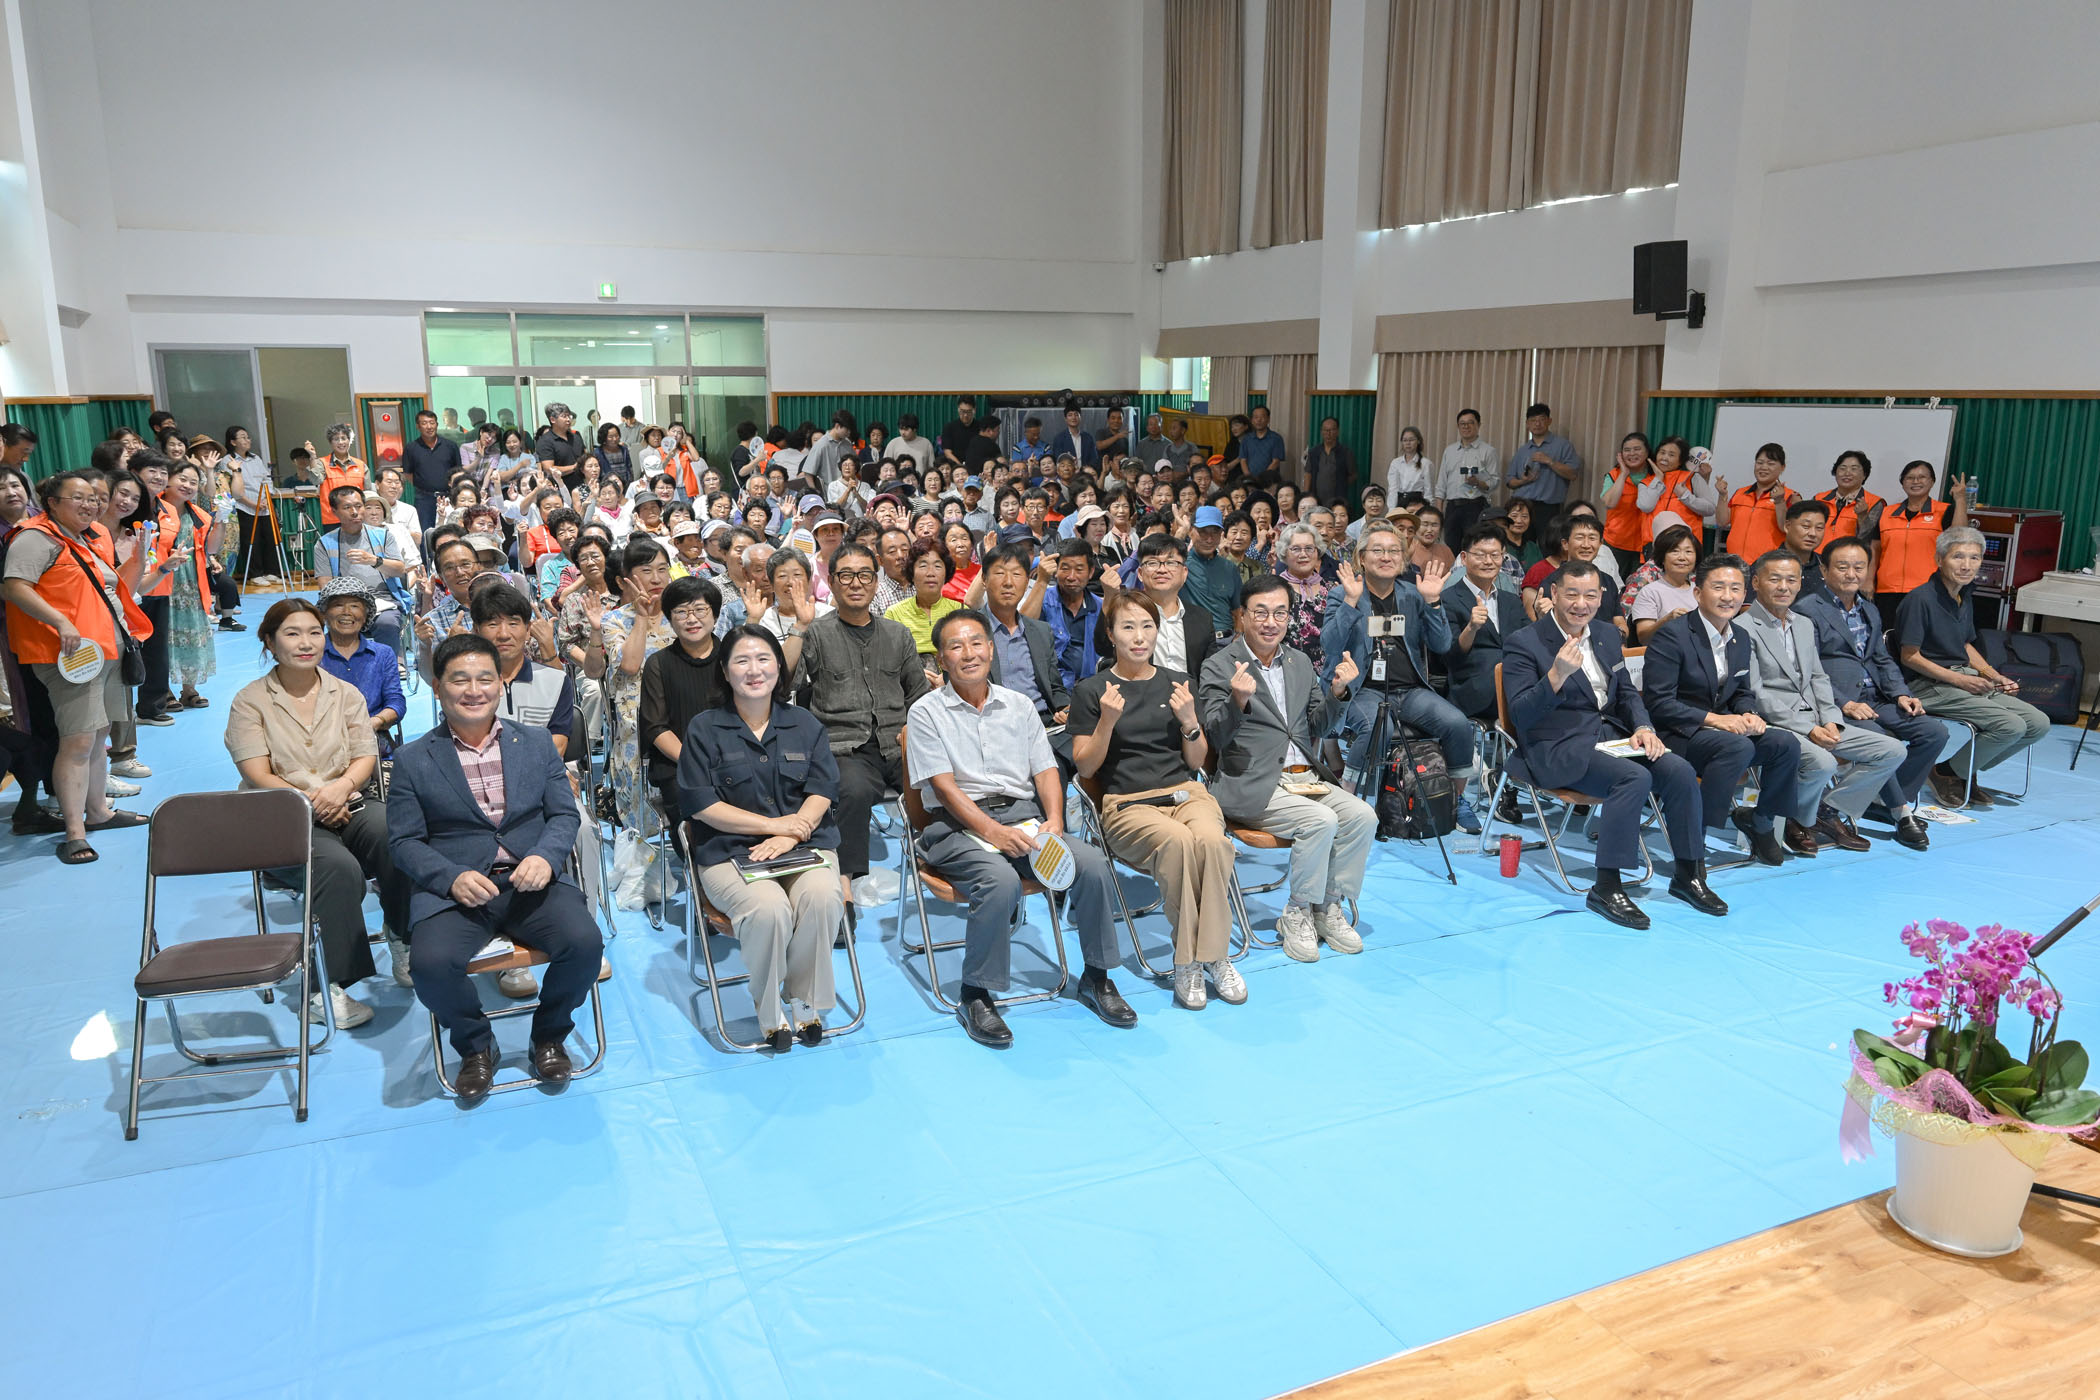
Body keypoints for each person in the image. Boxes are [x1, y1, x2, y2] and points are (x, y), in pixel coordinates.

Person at [388, 634, 601, 1100]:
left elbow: (563, 815)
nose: (474, 690)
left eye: (485, 679)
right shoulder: (412, 759)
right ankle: (476, 1045)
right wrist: (450, 877)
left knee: (584, 944)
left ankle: (549, 1035)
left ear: (500, 685)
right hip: (458, 890)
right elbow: (404, 841)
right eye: (459, 680)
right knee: (430, 965)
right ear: (438, 687)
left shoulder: (536, 743)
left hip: (531, 882)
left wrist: (545, 856)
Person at [905, 612, 1131, 1045]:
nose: (969, 653)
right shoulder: (925, 712)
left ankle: (1097, 977)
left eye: (977, 642)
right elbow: (945, 789)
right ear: (941, 659)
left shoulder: (1019, 705)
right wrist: (993, 832)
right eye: (956, 646)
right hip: (955, 825)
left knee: (1091, 864)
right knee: (999, 880)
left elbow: (1046, 770)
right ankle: (975, 994)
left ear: (991, 650)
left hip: (1024, 818)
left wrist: (1055, 820)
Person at [227, 598, 413, 1026]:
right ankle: (325, 986)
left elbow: (364, 756)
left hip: (348, 802)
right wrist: (315, 800)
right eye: (292, 634)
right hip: (284, 816)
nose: (306, 643)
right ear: (270, 642)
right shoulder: (250, 701)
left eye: (313, 632)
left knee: (397, 837)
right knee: (338, 869)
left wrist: (341, 788)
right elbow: (256, 773)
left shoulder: (344, 694)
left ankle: (404, 937)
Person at [1503, 562, 1717, 927]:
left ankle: (1688, 873)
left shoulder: (1604, 633)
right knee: (1633, 778)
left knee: (1679, 770)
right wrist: (1555, 676)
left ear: (1602, 597)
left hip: (1611, 738)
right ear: (1554, 593)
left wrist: (1644, 726)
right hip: (1557, 746)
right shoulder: (1525, 642)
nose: (1581, 604)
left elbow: (1627, 693)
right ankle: (1607, 886)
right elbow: (1520, 715)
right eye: (1572, 594)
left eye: (1590, 595)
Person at [675, 626, 845, 1051]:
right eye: (742, 661)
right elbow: (703, 806)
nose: (755, 670)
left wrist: (793, 832)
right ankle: (770, 1013)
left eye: (764, 659)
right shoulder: (704, 729)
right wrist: (776, 828)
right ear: (724, 671)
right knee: (768, 909)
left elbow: (822, 789)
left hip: (804, 845)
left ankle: (804, 1000)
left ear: (779, 667)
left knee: (823, 897)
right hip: (729, 852)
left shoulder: (804, 723)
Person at [1071, 591, 1240, 1010]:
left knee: (1213, 842)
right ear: (1111, 634)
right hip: (1128, 804)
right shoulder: (1091, 690)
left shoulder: (1179, 682)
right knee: (1179, 843)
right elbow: (1085, 767)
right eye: (1128, 627)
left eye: (1147, 626)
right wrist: (1107, 722)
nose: (1139, 636)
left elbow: (1196, 762)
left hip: (1186, 793)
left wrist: (1189, 722)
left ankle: (1211, 956)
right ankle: (1190, 960)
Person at [1200, 574, 1373, 961]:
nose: (1270, 622)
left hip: (1305, 779)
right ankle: (1296, 912)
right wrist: (1237, 702)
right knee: (1321, 821)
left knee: (1363, 815)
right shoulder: (1218, 665)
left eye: (1280, 613)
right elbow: (1214, 736)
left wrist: (1338, 693)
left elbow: (1317, 726)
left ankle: (1327, 907)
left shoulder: (1299, 662)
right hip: (1253, 782)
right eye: (1260, 612)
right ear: (1243, 616)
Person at [1, 471, 164, 862]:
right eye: (78, 498)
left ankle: (98, 812)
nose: (89, 504)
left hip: (107, 650)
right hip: (70, 656)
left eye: (93, 498)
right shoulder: (34, 537)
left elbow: (112, 589)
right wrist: (60, 621)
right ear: (51, 502)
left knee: (98, 733)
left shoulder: (85, 539)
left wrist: (141, 559)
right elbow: (14, 586)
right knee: (77, 740)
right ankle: (75, 831)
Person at [1637, 554, 1802, 868]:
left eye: (1735, 588)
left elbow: (1741, 691)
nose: (1728, 596)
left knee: (1785, 743)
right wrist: (1715, 720)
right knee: (1737, 747)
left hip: (1722, 734)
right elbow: (1658, 703)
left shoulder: (1740, 636)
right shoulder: (1672, 636)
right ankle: (1695, 837)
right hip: (1678, 734)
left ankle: (1761, 822)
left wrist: (1749, 713)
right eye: (1719, 587)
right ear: (1698, 593)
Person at [1739, 551, 1907, 854]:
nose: (1784, 587)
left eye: (1791, 580)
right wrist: (1809, 729)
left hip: (1817, 717)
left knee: (1892, 750)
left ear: (1800, 583)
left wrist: (1831, 719)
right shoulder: (1743, 627)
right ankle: (1797, 819)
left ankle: (1825, 811)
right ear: (1756, 582)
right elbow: (1756, 693)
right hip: (1777, 722)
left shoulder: (1803, 623)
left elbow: (1818, 677)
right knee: (1823, 762)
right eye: (1775, 579)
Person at [789, 544, 925, 903]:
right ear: (832, 582)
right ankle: (844, 889)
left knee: (942, 782)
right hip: (844, 747)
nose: (856, 583)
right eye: (846, 575)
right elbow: (786, 686)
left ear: (875, 582)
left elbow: (919, 696)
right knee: (852, 790)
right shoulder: (816, 633)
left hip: (899, 743)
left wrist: (915, 735)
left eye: (864, 575)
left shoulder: (898, 634)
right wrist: (799, 628)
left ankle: (955, 864)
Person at [1322, 520, 1479, 826]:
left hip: (1409, 690)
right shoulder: (1343, 594)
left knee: (1458, 724)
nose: (1386, 557)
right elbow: (1330, 645)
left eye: (1394, 551)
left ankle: (1456, 800)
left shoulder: (1414, 594)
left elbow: (1441, 644)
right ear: (1361, 558)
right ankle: (1347, 799)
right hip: (1362, 690)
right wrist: (1351, 602)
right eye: (1377, 550)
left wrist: (1434, 602)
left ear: (1403, 559)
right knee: (1377, 728)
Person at [1796, 537, 1946, 850]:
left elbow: (1881, 658)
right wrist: (1844, 703)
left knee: (1934, 732)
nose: (1851, 574)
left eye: (1859, 567)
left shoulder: (1870, 609)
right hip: (1835, 703)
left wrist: (1901, 694)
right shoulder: (1807, 610)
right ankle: (1901, 812)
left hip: (1875, 697)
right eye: (1842, 567)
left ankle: (1879, 800)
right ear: (1823, 569)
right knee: (1881, 740)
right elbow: (1807, 669)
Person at [1895, 527, 2050, 808]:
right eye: (1958, 557)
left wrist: (1994, 675)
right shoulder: (1920, 599)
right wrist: (1959, 680)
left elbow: (1965, 645)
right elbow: (1910, 657)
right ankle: (1946, 774)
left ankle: (1961, 770)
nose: (1966, 565)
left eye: (1974, 558)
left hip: (1961, 678)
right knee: (2010, 725)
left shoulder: (1963, 595)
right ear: (1939, 559)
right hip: (1927, 684)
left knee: (2038, 723)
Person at [640, 575, 727, 856]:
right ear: (669, 619)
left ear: (715, 615)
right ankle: (705, 875)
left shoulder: (732, 657)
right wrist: (695, 761)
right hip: (679, 765)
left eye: (700, 609)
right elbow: (655, 727)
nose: (691, 619)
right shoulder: (658, 664)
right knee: (696, 823)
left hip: (734, 759)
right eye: (681, 612)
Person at [600, 537, 677, 830]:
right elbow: (630, 665)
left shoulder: (680, 614)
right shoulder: (614, 620)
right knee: (642, 821)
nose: (656, 578)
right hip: (637, 719)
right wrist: (642, 616)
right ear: (626, 580)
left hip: (680, 713)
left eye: (662, 569)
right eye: (646, 571)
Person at [1438, 526, 1531, 722]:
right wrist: (1471, 628)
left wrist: (1544, 617)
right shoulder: (1448, 598)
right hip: (1476, 689)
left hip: (1517, 684)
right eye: (1480, 555)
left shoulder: (1511, 600)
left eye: (1495, 555)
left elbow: (1529, 642)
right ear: (1464, 558)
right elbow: (1449, 656)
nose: (1488, 561)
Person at [314, 484, 409, 652]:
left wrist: (373, 560)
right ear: (334, 511)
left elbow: (399, 569)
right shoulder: (324, 543)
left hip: (383, 600)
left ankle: (390, 663)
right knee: (339, 624)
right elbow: (325, 585)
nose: (354, 512)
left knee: (387, 623)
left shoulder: (383, 535)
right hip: (345, 602)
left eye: (358, 506)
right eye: (347, 507)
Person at [316, 577, 404, 757]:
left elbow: (396, 702)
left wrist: (375, 722)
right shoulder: (312, 653)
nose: (347, 612)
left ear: (365, 616)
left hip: (373, 738)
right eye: (338, 605)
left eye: (355, 606)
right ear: (324, 614)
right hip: (320, 742)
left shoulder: (383, 654)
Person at [160, 461, 220, 709]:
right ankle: (162, 690)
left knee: (192, 634)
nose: (187, 485)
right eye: (182, 479)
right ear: (167, 479)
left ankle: (189, 689)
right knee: (163, 636)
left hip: (192, 584)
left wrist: (221, 521)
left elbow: (211, 548)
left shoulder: (200, 516)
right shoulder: (153, 510)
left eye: (193, 482)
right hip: (161, 581)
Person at [1876, 460, 1969, 617]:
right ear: (1902, 483)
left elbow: (1959, 538)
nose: (1916, 481)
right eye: (1910, 477)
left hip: (1929, 590)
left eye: (1922, 477)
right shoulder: (1886, 513)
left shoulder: (1944, 511)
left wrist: (1960, 499)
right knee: (1888, 631)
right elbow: (1875, 549)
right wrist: (1868, 581)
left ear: (1932, 481)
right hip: (1888, 590)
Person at [1715, 442, 1797, 563]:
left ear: (1782, 467)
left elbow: (1786, 528)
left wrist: (1779, 501)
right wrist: (1722, 495)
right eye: (1760, 462)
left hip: (1768, 565)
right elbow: (1722, 521)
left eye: (1771, 464)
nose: (1763, 467)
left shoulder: (1791, 496)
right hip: (1735, 562)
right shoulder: (1741, 493)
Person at [885, 538, 963, 660]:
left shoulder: (960, 611)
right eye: (923, 566)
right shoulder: (894, 614)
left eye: (937, 566)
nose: (930, 573)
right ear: (912, 573)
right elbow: (889, 659)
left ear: (946, 573)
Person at [1628, 524, 1701, 645]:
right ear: (1662, 558)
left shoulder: (1701, 591)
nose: (1682, 557)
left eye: (1688, 552)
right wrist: (1667, 620)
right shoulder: (1650, 592)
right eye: (1675, 551)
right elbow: (1644, 638)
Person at [1435, 409, 1498, 544]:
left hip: (1475, 506)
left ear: (1478, 425)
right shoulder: (1449, 451)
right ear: (1458, 426)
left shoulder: (1488, 451)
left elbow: (1494, 482)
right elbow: (1441, 483)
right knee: (1451, 547)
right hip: (1452, 507)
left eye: (1470, 423)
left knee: (1473, 546)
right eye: (1462, 424)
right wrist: (1439, 512)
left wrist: (1478, 483)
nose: (1466, 426)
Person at [1504, 403, 1581, 510]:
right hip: (1521, 505)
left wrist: (1550, 462)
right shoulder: (1523, 450)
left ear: (1549, 421)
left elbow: (1573, 475)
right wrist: (1523, 481)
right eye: (1533, 420)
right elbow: (1509, 481)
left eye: (1542, 419)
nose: (1537, 424)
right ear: (1527, 424)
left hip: (1549, 507)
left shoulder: (1563, 446)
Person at [1181, 505, 1241, 632]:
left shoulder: (1229, 568)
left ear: (1221, 534)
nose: (1209, 539)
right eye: (1203, 532)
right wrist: (1179, 535)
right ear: (1191, 531)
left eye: (1215, 532)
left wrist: (1239, 635)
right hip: (1194, 637)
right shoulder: (1180, 565)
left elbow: (1238, 610)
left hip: (1227, 638)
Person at [403, 410, 461, 531]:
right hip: (424, 499)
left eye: (432, 422)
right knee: (425, 531)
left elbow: (457, 471)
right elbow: (408, 473)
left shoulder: (450, 446)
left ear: (437, 424)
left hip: (448, 496)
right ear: (418, 426)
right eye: (424, 423)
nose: (429, 427)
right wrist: (424, 485)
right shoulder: (411, 448)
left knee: (450, 530)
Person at [1777, 498, 1833, 601]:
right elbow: (1752, 607)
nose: (1813, 534)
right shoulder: (1767, 564)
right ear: (1787, 526)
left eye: (1819, 528)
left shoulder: (1827, 566)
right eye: (1806, 526)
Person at [535, 402, 589, 495]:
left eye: (569, 416)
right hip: (558, 490)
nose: (568, 419)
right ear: (552, 419)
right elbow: (549, 468)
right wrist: (574, 467)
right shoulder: (545, 441)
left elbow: (584, 457)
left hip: (581, 486)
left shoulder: (576, 437)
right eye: (564, 416)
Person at [1302, 417, 1355, 507]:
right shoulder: (1314, 452)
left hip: (1337, 500)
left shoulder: (1345, 452)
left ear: (1337, 432)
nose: (1328, 433)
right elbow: (1308, 473)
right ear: (1321, 432)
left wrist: (1341, 483)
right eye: (1325, 430)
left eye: (1332, 430)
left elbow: (1353, 475)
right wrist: (1306, 496)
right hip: (1316, 498)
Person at [1385, 425, 1430, 502]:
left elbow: (1428, 492)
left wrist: (1428, 508)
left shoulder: (1426, 464)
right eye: (1405, 440)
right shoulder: (1395, 463)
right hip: (1400, 502)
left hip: (1417, 503)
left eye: (1411, 440)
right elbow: (1393, 489)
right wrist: (1392, 508)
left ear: (1418, 441)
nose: (1408, 443)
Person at [1048, 403, 1100, 468]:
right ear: (1065, 419)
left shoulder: (1088, 437)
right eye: (1070, 415)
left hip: (1085, 472)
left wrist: (1085, 470)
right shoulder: (1059, 439)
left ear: (1080, 417)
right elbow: (1058, 460)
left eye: (1076, 414)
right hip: (1067, 472)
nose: (1073, 417)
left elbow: (1094, 459)